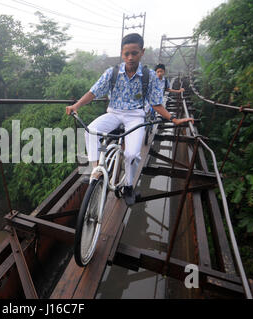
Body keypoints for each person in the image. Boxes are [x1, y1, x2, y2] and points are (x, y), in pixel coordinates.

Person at [65, 33, 194, 205]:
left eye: (134, 53)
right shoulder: (112, 73)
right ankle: (95, 169)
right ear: (121, 53)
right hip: (114, 113)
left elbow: (156, 104)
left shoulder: (150, 77)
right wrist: (76, 106)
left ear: (142, 52)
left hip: (136, 116)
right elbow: (93, 92)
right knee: (90, 131)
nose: (130, 57)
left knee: (132, 154)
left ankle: (128, 186)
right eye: (126, 54)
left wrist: (173, 119)